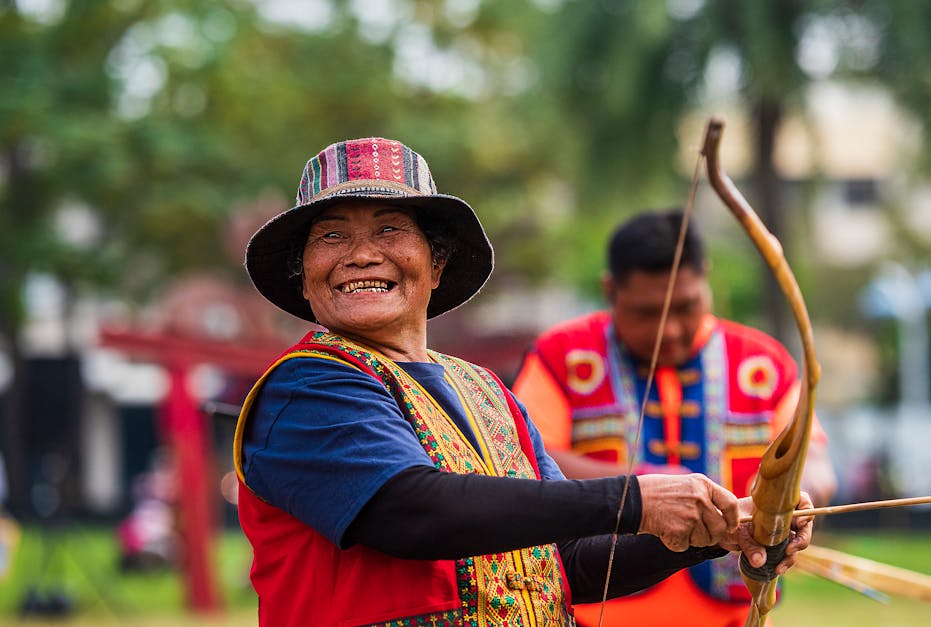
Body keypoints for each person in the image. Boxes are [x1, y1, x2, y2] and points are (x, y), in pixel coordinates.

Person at [234, 138, 816, 626]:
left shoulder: (484, 388)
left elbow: (570, 561)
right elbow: (412, 511)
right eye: (331, 236)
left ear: (436, 264)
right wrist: (635, 497)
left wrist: (726, 530)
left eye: (389, 229)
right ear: (304, 278)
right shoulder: (307, 386)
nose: (361, 254)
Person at [513, 209, 837, 627]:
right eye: (648, 313)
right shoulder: (563, 357)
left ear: (707, 279)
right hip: (591, 616)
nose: (669, 330)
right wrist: (644, 490)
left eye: (686, 307)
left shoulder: (763, 363)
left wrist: (785, 495)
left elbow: (815, 462)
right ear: (610, 290)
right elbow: (523, 465)